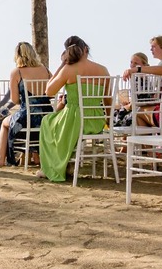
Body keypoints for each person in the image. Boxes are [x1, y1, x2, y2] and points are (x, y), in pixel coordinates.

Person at [37, 36, 110, 182]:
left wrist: (61, 66)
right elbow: (107, 99)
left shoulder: (68, 69)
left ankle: (54, 166)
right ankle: (67, 162)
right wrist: (108, 121)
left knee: (47, 121)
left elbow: (48, 91)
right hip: (95, 121)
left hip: (74, 119)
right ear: (86, 50)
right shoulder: (103, 69)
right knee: (55, 122)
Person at [0, 42, 52, 167]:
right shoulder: (45, 70)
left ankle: (0, 158)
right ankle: (35, 155)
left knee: (5, 123)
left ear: (17, 56)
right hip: (47, 116)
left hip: (27, 118)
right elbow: (52, 93)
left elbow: (15, 100)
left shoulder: (17, 72)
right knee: (23, 122)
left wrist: (25, 100)